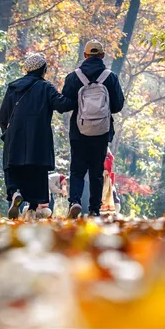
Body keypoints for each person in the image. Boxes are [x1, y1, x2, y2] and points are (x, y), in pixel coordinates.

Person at [0, 51, 73, 220]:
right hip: (38, 139)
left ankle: (15, 193)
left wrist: (6, 134)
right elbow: (63, 105)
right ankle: (32, 207)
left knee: (13, 167)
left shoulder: (13, 87)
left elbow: (3, 116)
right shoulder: (46, 87)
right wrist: (74, 90)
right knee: (37, 171)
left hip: (15, 137)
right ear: (43, 70)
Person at [61, 39, 125, 218]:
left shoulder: (74, 77)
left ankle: (75, 202)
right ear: (103, 56)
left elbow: (65, 103)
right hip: (101, 132)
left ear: (85, 55)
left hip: (78, 131)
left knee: (77, 170)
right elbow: (118, 106)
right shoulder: (110, 77)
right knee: (97, 171)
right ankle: (95, 209)